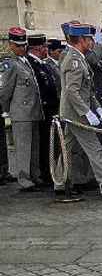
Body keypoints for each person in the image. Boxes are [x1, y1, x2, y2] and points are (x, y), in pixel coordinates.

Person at [56, 23, 102, 198]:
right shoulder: (74, 60)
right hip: (76, 114)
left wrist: (97, 108)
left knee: (67, 147)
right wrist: (86, 112)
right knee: (95, 149)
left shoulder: (79, 57)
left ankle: (58, 182)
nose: (92, 42)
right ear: (80, 40)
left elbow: (87, 90)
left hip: (75, 112)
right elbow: (72, 91)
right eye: (89, 39)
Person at [0, 28, 44, 191]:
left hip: (33, 111)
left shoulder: (24, 62)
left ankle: (34, 175)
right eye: (18, 45)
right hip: (21, 112)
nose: (22, 48)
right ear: (11, 45)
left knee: (34, 147)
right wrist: (5, 109)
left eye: (24, 45)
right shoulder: (10, 64)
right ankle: (24, 179)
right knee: (24, 148)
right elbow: (5, 91)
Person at [26, 33, 59, 186]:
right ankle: (46, 173)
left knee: (51, 143)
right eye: (45, 46)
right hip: (44, 108)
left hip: (52, 108)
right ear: (38, 48)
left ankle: (50, 171)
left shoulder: (42, 64)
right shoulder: (32, 64)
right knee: (46, 144)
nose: (46, 49)